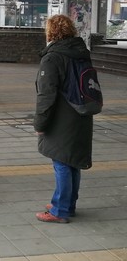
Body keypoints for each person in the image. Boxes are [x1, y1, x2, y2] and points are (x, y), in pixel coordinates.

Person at [34, 14, 94, 224]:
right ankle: (67, 203)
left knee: (61, 163)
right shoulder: (80, 53)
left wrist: (40, 123)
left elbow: (46, 95)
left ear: (50, 32)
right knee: (72, 162)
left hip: (62, 117)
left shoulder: (53, 57)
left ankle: (60, 210)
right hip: (81, 113)